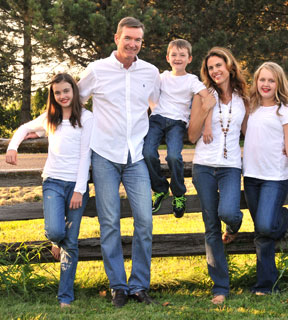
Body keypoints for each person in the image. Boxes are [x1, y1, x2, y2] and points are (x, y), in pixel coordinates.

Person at [77, 17, 160, 307]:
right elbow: (75, 101)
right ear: (116, 38)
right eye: (128, 38)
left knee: (145, 221)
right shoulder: (97, 70)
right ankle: (118, 286)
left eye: (138, 40)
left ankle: (139, 286)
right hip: (104, 155)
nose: (133, 44)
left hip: (136, 156)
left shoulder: (150, 72)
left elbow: (157, 106)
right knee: (110, 222)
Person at [5, 73, 93, 308]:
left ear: (74, 91)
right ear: (52, 96)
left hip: (76, 186)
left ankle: (65, 297)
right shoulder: (50, 118)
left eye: (66, 91)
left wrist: (79, 190)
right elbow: (24, 128)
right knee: (55, 231)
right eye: (57, 93)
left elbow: (86, 155)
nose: (62, 96)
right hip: (53, 181)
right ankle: (55, 241)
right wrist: (13, 147)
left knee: (71, 243)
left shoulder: (86, 117)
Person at [188, 47, 249, 304]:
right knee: (211, 227)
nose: (215, 71)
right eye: (210, 67)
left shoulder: (243, 97)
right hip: (203, 166)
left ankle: (235, 225)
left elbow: (251, 132)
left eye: (218, 65)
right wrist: (206, 109)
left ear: (229, 66)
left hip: (231, 166)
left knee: (228, 213)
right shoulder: (202, 96)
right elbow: (191, 136)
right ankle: (220, 287)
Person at [242, 62, 288, 295]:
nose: (266, 84)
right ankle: (265, 286)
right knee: (262, 233)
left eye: (271, 80)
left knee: (266, 225)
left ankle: (283, 215)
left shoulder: (286, 110)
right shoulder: (251, 107)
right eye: (262, 80)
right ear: (256, 82)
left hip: (274, 178)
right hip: (250, 176)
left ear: (279, 83)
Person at [143, 39, 213, 218]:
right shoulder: (162, 76)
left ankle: (179, 193)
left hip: (177, 123)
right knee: (147, 153)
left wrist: (206, 124)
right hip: (157, 119)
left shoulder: (191, 80)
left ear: (189, 59)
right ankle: (160, 189)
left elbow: (207, 97)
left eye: (182, 55)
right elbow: (145, 91)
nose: (178, 58)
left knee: (174, 156)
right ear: (167, 58)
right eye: (174, 55)